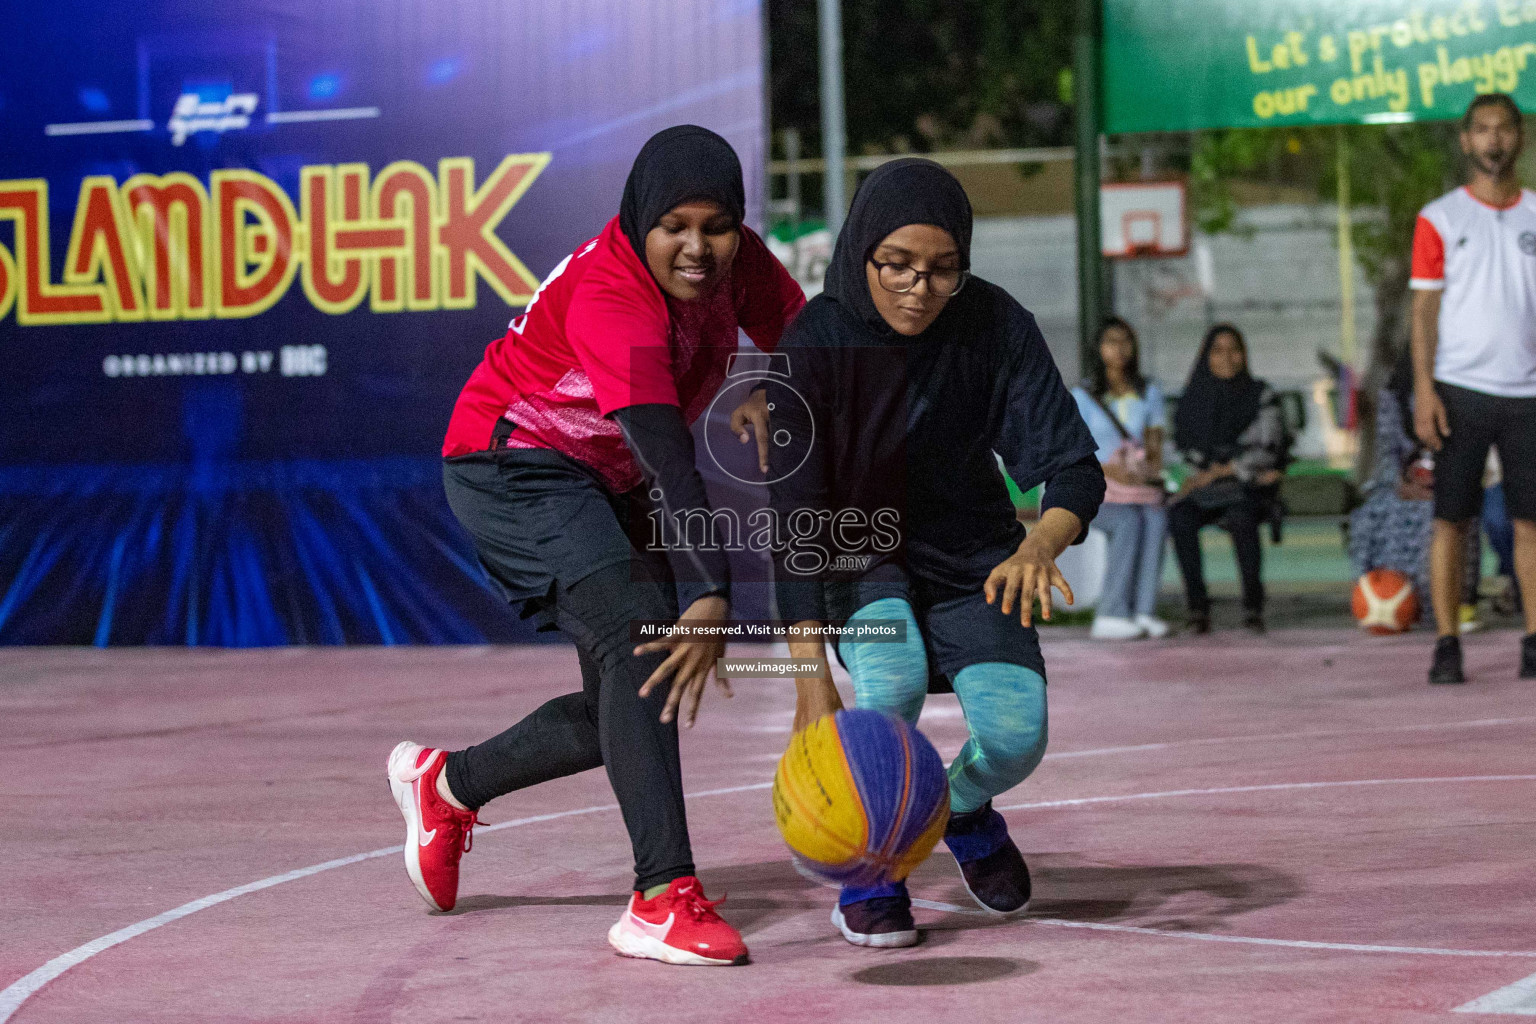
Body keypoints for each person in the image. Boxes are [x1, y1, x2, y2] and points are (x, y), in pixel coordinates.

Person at [389, 126, 805, 965]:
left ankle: (448, 785)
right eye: (675, 226)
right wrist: (709, 593)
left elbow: (812, 342)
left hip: (605, 472)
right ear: (640, 220)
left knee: (630, 694)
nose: (697, 247)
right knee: (648, 641)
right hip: (513, 459)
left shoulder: (742, 264)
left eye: (716, 225)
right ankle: (661, 898)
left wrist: (785, 390)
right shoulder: (613, 297)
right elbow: (668, 455)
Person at [767, 159, 1105, 948]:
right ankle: (872, 869)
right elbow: (793, 524)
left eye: (943, 270)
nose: (919, 287)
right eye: (898, 265)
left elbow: (1075, 468)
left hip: (974, 557)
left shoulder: (993, 324)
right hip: (860, 557)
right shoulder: (815, 342)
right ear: (861, 254)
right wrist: (810, 684)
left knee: (1019, 736)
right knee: (893, 681)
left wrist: (1039, 542)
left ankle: (961, 810)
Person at [1410, 92, 1536, 684]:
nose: (1494, 140)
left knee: (1530, 522)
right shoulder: (1439, 218)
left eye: (1503, 128)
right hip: (1459, 388)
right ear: (1466, 141)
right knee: (1451, 520)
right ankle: (1446, 642)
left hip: (1528, 393)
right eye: (1481, 129)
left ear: (1521, 136)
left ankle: (1534, 641)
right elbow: (1424, 311)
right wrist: (1424, 389)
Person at [1168, 323, 1288, 634]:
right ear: (1206, 356)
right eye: (1218, 351)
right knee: (1180, 517)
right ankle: (1197, 607)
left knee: (1241, 517)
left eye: (1234, 350)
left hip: (1247, 487)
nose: (1228, 358)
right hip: (1207, 490)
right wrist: (1205, 474)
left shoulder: (1261, 394)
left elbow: (1268, 446)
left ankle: (1253, 606)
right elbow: (1185, 450)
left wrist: (1224, 470)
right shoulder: (1193, 399)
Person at [1072, 317, 1170, 640]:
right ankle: (1111, 612)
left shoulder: (1149, 391)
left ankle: (1143, 610)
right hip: (1097, 490)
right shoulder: (1082, 396)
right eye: (1111, 341)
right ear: (1098, 349)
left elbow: (1154, 442)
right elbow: (1074, 449)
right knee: (1128, 521)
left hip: (1136, 487)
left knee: (1155, 516)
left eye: (1126, 340)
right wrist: (1109, 469)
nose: (1120, 349)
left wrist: (1147, 470)